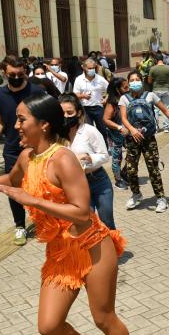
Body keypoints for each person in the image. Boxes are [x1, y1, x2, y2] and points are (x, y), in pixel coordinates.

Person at [0, 94, 129, 335]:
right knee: (49, 325)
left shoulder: (63, 159)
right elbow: (11, 181)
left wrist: (32, 199)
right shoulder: (27, 156)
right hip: (60, 252)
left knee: (103, 317)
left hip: (92, 247)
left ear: (44, 124)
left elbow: (81, 213)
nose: (15, 126)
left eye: (22, 120)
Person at [0, 55, 46, 246]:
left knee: (41, 186)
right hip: (12, 150)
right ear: (4, 73)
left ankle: (42, 221)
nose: (16, 77)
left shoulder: (36, 91)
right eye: (12, 74)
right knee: (13, 188)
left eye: (20, 74)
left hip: (37, 148)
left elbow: (47, 117)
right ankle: (20, 226)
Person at [120, 70, 169, 213]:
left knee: (153, 169)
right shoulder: (124, 98)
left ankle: (161, 198)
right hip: (132, 139)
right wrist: (132, 130)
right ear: (128, 83)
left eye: (137, 79)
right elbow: (123, 118)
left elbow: (165, 110)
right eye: (132, 80)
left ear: (141, 81)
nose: (135, 82)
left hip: (149, 139)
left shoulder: (150, 95)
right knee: (130, 170)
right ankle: (136, 194)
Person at [60, 93, 115, 230]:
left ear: (78, 113)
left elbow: (104, 155)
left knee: (106, 221)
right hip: (77, 186)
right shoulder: (57, 136)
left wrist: (90, 158)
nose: (66, 116)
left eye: (69, 112)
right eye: (62, 113)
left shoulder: (89, 131)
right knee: (87, 223)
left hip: (98, 181)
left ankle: (114, 249)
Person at [103, 77, 131, 190]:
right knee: (117, 158)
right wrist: (119, 127)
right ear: (117, 89)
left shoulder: (127, 98)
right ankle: (118, 180)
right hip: (115, 135)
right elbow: (106, 119)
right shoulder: (112, 103)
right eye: (125, 87)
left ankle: (125, 173)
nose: (128, 89)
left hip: (128, 133)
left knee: (133, 155)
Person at [73, 58, 109, 141]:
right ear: (84, 68)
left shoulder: (100, 79)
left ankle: (105, 147)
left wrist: (106, 98)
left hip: (98, 108)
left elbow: (110, 89)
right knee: (89, 130)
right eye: (89, 68)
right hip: (85, 108)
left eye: (93, 68)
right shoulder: (79, 79)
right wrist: (83, 96)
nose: (91, 70)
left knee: (102, 130)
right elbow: (75, 94)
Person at [148, 53, 169, 132]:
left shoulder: (152, 69)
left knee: (156, 110)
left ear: (155, 59)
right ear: (162, 59)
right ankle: (166, 127)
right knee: (166, 108)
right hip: (166, 89)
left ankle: (156, 127)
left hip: (156, 90)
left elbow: (149, 81)